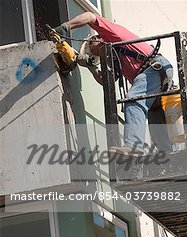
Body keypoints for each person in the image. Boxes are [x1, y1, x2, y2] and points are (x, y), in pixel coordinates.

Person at [54, 12, 173, 155]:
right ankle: (166, 154)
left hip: (154, 67)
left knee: (134, 100)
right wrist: (91, 68)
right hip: (156, 73)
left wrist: (66, 26)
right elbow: (106, 81)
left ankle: (134, 145)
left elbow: (90, 16)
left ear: (96, 38)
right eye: (93, 53)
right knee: (155, 113)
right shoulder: (116, 57)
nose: (95, 51)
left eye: (92, 47)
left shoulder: (112, 35)